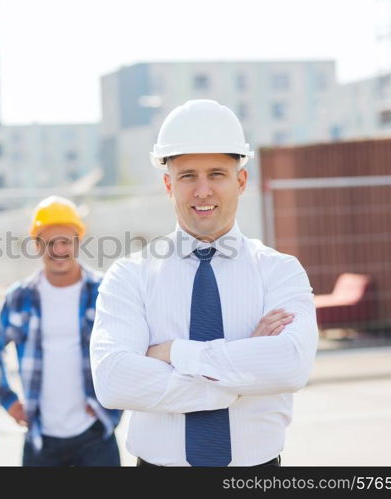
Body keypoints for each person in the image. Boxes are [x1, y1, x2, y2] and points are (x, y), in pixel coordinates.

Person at [90, 99, 319, 467]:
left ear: (240, 180)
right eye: (187, 176)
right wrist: (239, 374)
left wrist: (174, 353)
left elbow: (290, 364)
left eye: (216, 174)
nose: (202, 191)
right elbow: (114, 380)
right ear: (168, 184)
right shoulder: (129, 275)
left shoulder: (280, 271)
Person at [0, 196, 121, 466]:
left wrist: (113, 407)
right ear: (37, 245)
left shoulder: (105, 291)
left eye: (66, 241)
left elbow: (130, 349)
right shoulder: (20, 297)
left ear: (78, 241)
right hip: (41, 437)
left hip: (95, 432)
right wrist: (8, 400)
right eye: (50, 242)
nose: (59, 250)